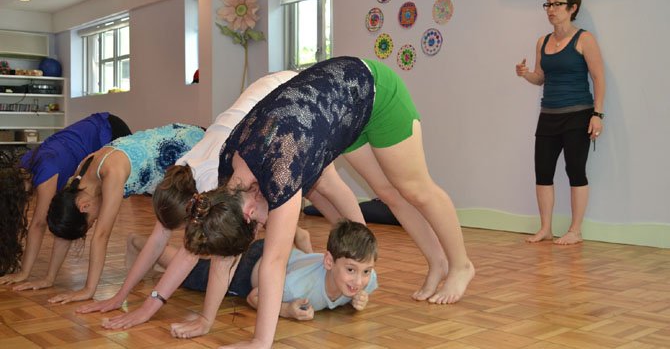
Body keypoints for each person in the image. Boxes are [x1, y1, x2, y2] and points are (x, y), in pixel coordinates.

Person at [183, 56, 474, 348]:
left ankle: (461, 265)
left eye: (258, 223)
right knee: (387, 193)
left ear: (248, 210)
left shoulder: (281, 171)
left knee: (415, 188)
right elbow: (228, 255)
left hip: (372, 88)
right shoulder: (229, 174)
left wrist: (260, 341)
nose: (264, 223)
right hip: (343, 109)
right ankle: (437, 262)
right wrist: (206, 320)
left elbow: (275, 261)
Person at [76, 71, 364, 321]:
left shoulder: (221, 182)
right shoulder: (184, 175)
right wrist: (121, 296)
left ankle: (364, 256)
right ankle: (358, 257)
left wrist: (193, 315)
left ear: (195, 208)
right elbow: (157, 241)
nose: (187, 234)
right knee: (318, 188)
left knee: (326, 183)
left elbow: (219, 258)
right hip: (269, 103)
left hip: (292, 98)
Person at [22, 123, 204, 304]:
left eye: (91, 222)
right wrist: (49, 278)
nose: (95, 222)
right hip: (177, 145)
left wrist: (88, 290)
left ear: (84, 206)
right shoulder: (79, 180)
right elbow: (68, 223)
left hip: (195, 145)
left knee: (194, 222)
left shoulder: (111, 173)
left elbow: (101, 235)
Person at [124, 218, 377, 337]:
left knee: (206, 259)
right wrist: (286, 310)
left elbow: (361, 284)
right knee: (195, 270)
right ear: (330, 261)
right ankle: (139, 244)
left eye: (365, 271)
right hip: (249, 271)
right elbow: (255, 296)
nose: (360, 280)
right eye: (351, 270)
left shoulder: (367, 280)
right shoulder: (297, 287)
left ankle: (298, 235)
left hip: (279, 253)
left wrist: (358, 300)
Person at [515, 0, 606, 245]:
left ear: (572, 8)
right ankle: (546, 228)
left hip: (578, 114)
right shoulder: (542, 42)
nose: (551, 10)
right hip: (549, 114)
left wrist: (597, 114)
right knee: (542, 172)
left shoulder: (585, 39)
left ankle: (575, 231)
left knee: (575, 171)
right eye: (548, 4)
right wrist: (525, 75)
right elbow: (540, 78)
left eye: (557, 4)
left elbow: (599, 78)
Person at [0, 112, 131, 283]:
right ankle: (50, 277)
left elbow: (39, 224)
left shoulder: (46, 173)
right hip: (91, 128)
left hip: (109, 129)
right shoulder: (23, 167)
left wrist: (24, 273)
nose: (26, 198)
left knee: (132, 189)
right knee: (69, 212)